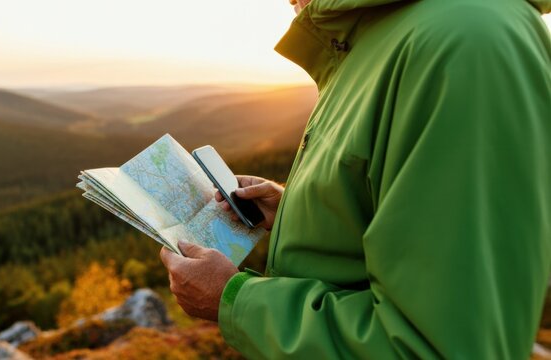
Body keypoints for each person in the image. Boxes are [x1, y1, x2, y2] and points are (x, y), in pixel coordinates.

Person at [160, 0, 551, 358]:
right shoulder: (377, 40)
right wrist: (297, 209)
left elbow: (435, 349)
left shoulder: (465, 40)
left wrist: (234, 300)